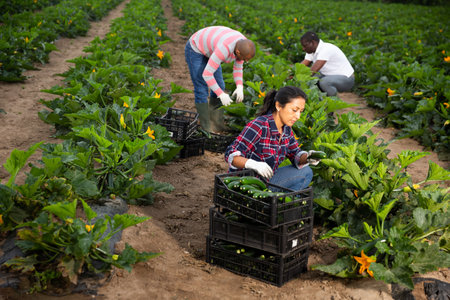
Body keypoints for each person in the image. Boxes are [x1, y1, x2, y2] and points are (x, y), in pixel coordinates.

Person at [224, 86, 320, 192]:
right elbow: (230, 154)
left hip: (266, 181)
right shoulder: (259, 126)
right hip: (245, 184)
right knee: (304, 173)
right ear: (278, 106)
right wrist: (253, 164)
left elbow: (295, 154)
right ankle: (271, 203)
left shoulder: (286, 130)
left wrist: (308, 157)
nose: (298, 116)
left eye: (300, 111)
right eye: (294, 110)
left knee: (306, 172)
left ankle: (278, 203)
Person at [185, 26, 256, 132]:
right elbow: (207, 75)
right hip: (196, 48)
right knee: (201, 88)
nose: (245, 61)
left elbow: (238, 67)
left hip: (212, 48)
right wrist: (220, 94)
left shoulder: (244, 45)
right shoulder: (224, 49)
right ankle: (206, 126)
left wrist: (239, 86)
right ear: (237, 52)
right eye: (245, 59)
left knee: (220, 85)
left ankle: (216, 122)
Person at [300, 31, 355, 97]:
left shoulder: (325, 49)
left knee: (324, 82)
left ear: (313, 43)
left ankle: (333, 100)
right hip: (330, 75)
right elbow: (302, 65)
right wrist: (292, 73)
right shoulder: (311, 50)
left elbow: (313, 70)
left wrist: (298, 78)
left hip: (346, 79)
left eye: (305, 45)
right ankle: (320, 98)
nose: (303, 48)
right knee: (313, 79)